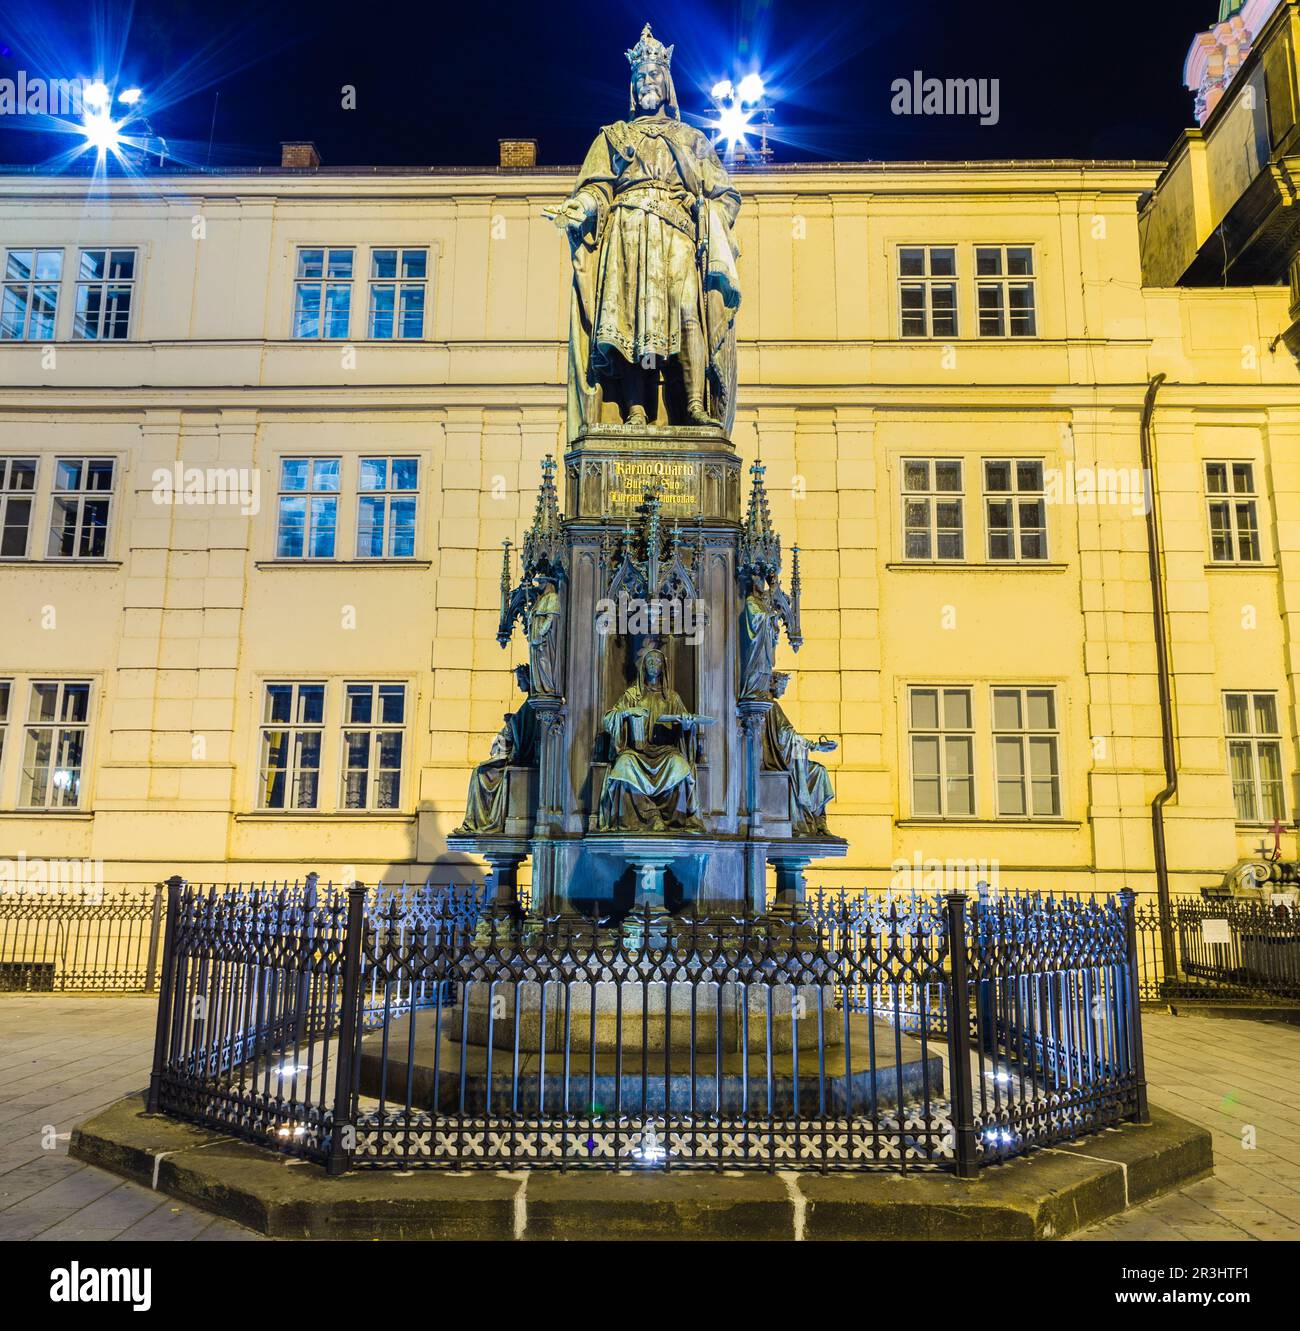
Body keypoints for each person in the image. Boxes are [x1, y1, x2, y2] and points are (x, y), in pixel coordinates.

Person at [548, 24, 742, 435]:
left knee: (688, 311)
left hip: (677, 234)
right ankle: (635, 409)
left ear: (666, 82)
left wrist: (701, 207)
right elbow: (597, 189)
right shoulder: (614, 137)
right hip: (627, 235)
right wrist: (578, 208)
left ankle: (692, 404)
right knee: (634, 322)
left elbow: (726, 197)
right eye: (640, 77)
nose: (646, 82)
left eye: (653, 75)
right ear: (632, 87)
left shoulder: (693, 140)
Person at [598, 647, 704, 831]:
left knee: (680, 766)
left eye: (657, 661)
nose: (654, 665)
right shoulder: (632, 695)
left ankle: (675, 821)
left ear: (663, 667)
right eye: (650, 661)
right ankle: (643, 817)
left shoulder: (672, 698)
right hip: (637, 752)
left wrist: (687, 726)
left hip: (665, 752)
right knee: (623, 765)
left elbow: (685, 727)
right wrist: (627, 712)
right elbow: (608, 719)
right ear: (644, 667)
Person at [454, 665, 538, 834]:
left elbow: (523, 734)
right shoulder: (529, 703)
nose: (518, 685)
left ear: (528, 680)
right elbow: (520, 728)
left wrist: (512, 722)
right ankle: (479, 821)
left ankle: (482, 821)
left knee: (480, 773)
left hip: (516, 760)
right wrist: (513, 721)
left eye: (520, 680)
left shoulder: (531, 704)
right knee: (480, 771)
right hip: (513, 755)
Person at [763, 672, 837, 835]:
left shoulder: (771, 705)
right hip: (778, 761)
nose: (783, 691)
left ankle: (819, 820)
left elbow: (787, 736)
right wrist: (815, 746)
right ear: (774, 684)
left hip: (784, 758)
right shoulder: (771, 706)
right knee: (818, 772)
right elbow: (787, 736)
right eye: (782, 686)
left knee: (819, 771)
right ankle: (814, 819)